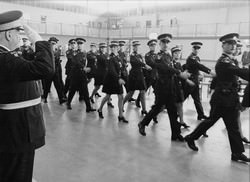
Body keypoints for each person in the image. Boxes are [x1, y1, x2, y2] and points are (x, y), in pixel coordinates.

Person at [0, 10, 54, 182]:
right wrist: (38, 40)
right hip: (19, 130)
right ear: (9, 34)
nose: (20, 36)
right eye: (18, 31)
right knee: (18, 173)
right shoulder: (5, 61)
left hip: (13, 129)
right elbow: (46, 68)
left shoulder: (7, 58)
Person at [184, 33, 250, 163]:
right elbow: (240, 73)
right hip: (221, 99)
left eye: (234, 44)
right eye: (229, 44)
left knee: (233, 126)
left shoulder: (231, 60)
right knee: (210, 121)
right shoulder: (223, 62)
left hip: (230, 98)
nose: (232, 46)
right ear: (223, 45)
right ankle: (191, 137)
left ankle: (237, 153)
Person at [138, 33, 190, 140]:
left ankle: (176, 134)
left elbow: (172, 69)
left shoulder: (168, 56)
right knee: (157, 108)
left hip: (170, 87)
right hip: (162, 87)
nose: (166, 44)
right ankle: (143, 123)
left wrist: (182, 75)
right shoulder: (158, 56)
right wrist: (179, 73)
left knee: (173, 111)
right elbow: (164, 68)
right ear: (160, 44)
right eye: (164, 42)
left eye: (167, 42)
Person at [97, 41, 128, 123]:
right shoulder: (110, 58)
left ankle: (120, 116)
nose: (113, 48)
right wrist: (119, 78)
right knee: (107, 96)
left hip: (117, 79)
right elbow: (111, 71)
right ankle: (100, 109)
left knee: (120, 96)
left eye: (115, 47)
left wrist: (124, 75)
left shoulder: (118, 57)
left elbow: (121, 67)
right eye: (112, 47)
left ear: (117, 48)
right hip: (111, 80)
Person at [184, 42, 215, 120]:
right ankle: (173, 111)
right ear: (192, 49)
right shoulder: (190, 58)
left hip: (195, 81)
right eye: (195, 48)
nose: (196, 50)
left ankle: (201, 114)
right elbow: (199, 66)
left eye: (198, 49)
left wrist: (200, 73)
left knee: (197, 99)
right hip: (190, 82)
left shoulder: (197, 58)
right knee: (182, 98)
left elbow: (197, 68)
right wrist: (209, 71)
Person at [66, 38, 95, 112]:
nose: (79, 46)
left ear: (83, 45)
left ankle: (88, 107)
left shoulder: (85, 53)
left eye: (81, 44)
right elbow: (76, 62)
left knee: (85, 91)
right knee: (72, 90)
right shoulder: (74, 53)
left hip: (82, 75)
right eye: (78, 44)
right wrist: (83, 68)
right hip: (75, 74)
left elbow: (89, 61)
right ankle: (68, 103)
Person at [123, 41, 152, 115]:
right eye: (135, 46)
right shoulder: (132, 55)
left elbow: (142, 63)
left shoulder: (140, 55)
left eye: (138, 46)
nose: (137, 48)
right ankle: (122, 104)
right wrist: (145, 65)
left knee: (142, 92)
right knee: (131, 93)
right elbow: (137, 62)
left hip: (140, 75)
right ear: (133, 47)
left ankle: (144, 109)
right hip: (134, 75)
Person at [171, 46, 194, 128]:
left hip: (178, 87)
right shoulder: (170, 63)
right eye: (175, 53)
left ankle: (181, 121)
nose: (177, 55)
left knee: (180, 104)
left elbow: (182, 74)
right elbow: (178, 74)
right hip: (172, 87)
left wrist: (187, 74)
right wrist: (187, 80)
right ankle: (154, 115)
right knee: (163, 105)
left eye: (178, 53)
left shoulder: (178, 63)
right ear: (172, 54)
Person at [43, 37, 66, 104]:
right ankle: (45, 97)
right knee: (47, 86)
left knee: (58, 85)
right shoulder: (46, 52)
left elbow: (58, 62)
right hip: (49, 72)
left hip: (55, 72)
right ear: (49, 43)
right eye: (52, 43)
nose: (53, 45)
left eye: (55, 44)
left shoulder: (57, 52)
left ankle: (61, 99)